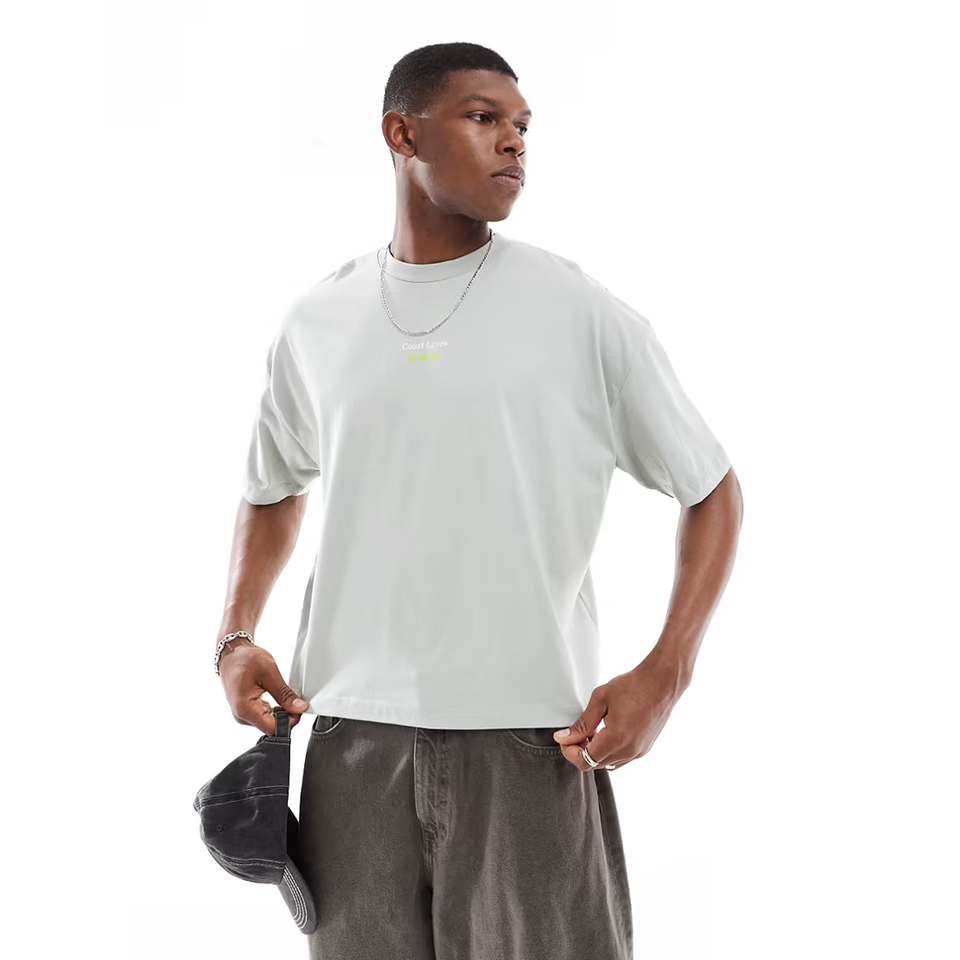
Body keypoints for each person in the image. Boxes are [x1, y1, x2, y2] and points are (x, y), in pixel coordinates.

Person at [214, 41, 743, 960]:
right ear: (402, 132)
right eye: (484, 117)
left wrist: (669, 670)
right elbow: (271, 489)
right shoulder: (318, 321)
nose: (515, 142)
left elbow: (711, 488)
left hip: (533, 739)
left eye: (523, 125)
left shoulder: (577, 311)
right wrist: (234, 634)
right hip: (349, 742)